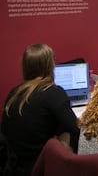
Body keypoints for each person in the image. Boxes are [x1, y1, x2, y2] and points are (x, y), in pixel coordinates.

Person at [1, 44, 79, 176]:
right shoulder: (52, 92)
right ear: (50, 66)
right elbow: (76, 128)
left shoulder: (15, 92)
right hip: (39, 165)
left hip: (13, 164)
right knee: (67, 135)